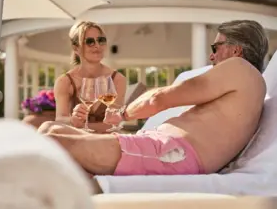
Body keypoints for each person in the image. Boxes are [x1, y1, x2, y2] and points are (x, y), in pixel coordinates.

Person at [40, 20, 268, 181]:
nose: (211, 56)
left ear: (236, 49)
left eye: (216, 47)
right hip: (161, 149)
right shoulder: (245, 84)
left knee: (52, 141)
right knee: (50, 127)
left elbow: (160, 98)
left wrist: (122, 114)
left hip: (169, 154)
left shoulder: (240, 68)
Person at [51, 21, 126, 133]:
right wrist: (72, 120)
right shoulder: (65, 82)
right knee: (48, 127)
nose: (97, 45)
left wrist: (79, 127)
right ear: (76, 48)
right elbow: (60, 118)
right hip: (77, 142)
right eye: (90, 41)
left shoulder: (117, 79)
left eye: (101, 40)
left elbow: (114, 122)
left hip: (107, 142)